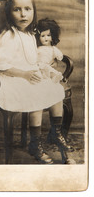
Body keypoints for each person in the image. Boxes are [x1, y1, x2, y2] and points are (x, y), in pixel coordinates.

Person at [0, 0, 69, 164]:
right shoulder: (8, 36)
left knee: (55, 88)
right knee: (36, 94)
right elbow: (2, 67)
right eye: (17, 9)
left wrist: (43, 69)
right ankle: (35, 144)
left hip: (29, 75)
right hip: (13, 78)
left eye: (27, 9)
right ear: (9, 12)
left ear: (33, 11)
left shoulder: (29, 34)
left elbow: (33, 58)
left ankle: (56, 133)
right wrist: (25, 74)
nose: (23, 14)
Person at [36, 18, 73, 151]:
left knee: (51, 74)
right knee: (42, 67)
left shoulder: (52, 49)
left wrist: (56, 58)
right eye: (42, 35)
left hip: (48, 73)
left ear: (53, 36)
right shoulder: (36, 49)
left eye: (48, 35)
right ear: (38, 36)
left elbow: (61, 57)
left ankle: (56, 133)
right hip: (38, 71)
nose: (46, 38)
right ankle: (37, 140)